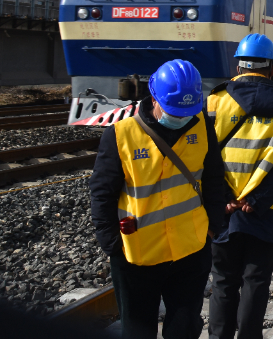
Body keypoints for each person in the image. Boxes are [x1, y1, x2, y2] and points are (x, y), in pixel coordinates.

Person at [90, 59, 226, 339]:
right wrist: (112, 244)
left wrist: (213, 227)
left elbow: (214, 178)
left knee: (184, 328)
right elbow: (102, 193)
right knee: (137, 331)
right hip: (137, 255)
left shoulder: (201, 127)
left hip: (190, 250)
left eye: (189, 111)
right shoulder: (121, 135)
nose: (182, 118)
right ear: (154, 98)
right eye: (175, 110)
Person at [206, 33, 273, 339]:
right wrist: (258, 199)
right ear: (272, 68)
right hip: (268, 210)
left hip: (224, 209)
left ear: (238, 66)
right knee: (256, 280)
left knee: (223, 281)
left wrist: (225, 197)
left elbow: (202, 157)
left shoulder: (214, 102)